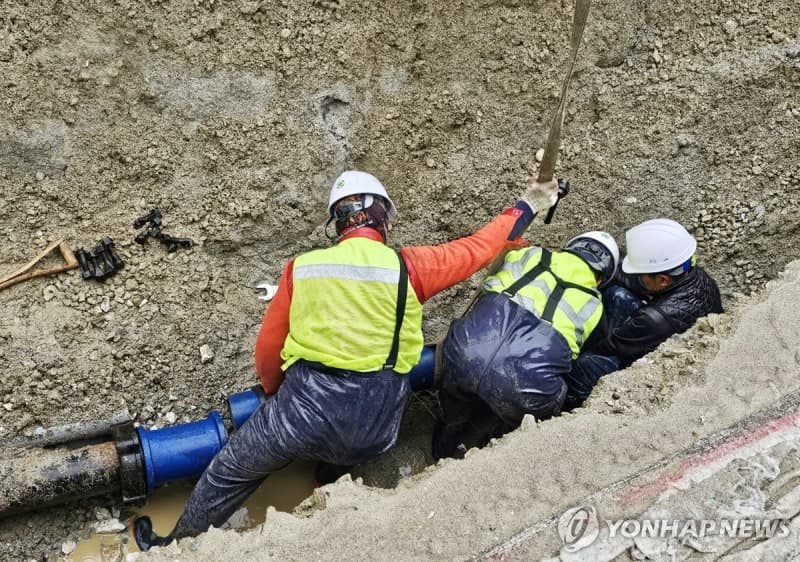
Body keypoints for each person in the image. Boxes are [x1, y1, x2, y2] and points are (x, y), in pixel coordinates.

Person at [134, 169, 560, 549]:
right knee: (354, 443)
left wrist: (275, 398)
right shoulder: (410, 268)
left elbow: (268, 351)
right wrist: (530, 202)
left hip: (302, 414)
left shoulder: (304, 268)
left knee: (230, 471)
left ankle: (174, 546)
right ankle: (325, 482)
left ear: (336, 223)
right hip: (376, 429)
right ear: (383, 218)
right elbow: (482, 246)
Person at [432, 229, 620, 460]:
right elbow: (574, 354)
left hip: (466, 353)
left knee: (454, 397)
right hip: (522, 387)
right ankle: (493, 447)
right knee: (554, 395)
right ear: (601, 279)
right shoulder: (594, 305)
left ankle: (442, 447)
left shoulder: (531, 254)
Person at [564, 218, 723, 409]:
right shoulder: (692, 273)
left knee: (587, 364)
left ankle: (569, 402)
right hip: (662, 335)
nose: (638, 277)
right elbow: (633, 281)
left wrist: (572, 349)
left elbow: (611, 346)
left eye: (642, 274)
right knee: (617, 294)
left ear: (663, 280)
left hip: (654, 365)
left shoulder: (655, 319)